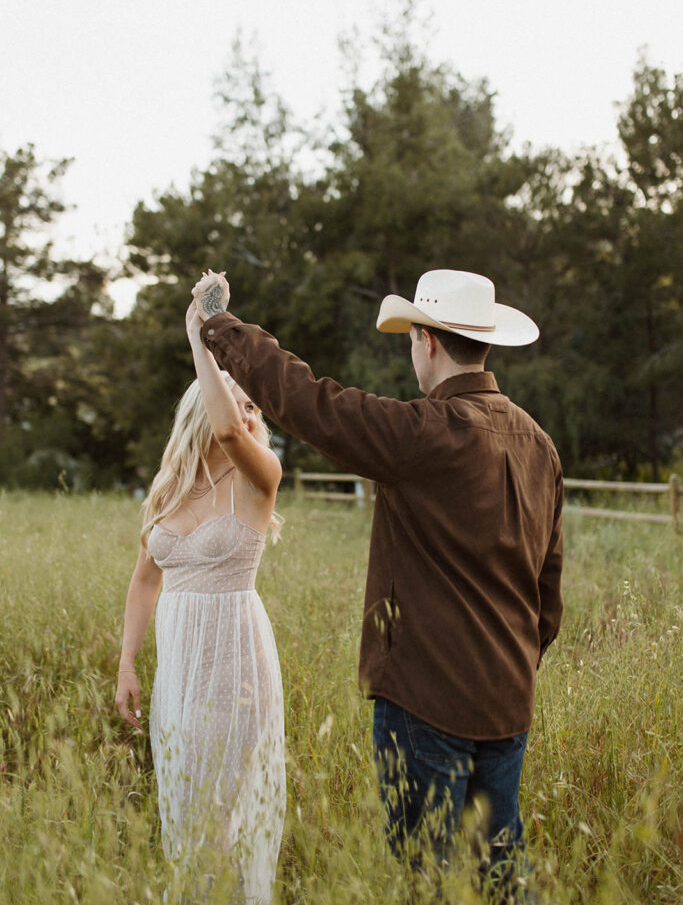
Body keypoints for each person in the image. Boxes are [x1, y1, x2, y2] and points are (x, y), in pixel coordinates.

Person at [191, 267, 564, 900]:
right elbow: (547, 595)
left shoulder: (426, 434)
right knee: (502, 878)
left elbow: (310, 401)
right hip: (508, 700)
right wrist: (514, 664)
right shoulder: (540, 446)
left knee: (427, 879)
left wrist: (215, 324)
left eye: (413, 338)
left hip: (424, 699)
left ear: (429, 342)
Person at [115, 298, 286, 903]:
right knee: (186, 812)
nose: (245, 410)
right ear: (198, 406)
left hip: (235, 667)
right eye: (234, 398)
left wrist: (201, 337)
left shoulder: (258, 477)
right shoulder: (167, 490)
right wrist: (129, 663)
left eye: (250, 405)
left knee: (216, 822)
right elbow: (144, 580)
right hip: (180, 674)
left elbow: (225, 430)